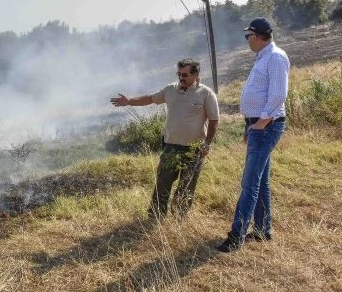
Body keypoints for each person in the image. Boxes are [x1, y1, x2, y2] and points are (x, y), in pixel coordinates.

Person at [110, 59, 219, 218]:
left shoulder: (206, 94)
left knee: (186, 185)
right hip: (171, 147)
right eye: (179, 74)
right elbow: (149, 99)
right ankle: (156, 215)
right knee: (163, 183)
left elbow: (214, 120)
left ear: (196, 74)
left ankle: (179, 218)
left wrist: (207, 144)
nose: (181, 78)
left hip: (194, 149)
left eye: (185, 75)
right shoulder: (170, 90)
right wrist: (129, 101)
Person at [217, 17, 290, 252]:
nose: (247, 41)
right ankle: (262, 230)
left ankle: (236, 236)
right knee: (261, 181)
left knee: (249, 183)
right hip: (258, 125)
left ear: (257, 37)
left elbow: (279, 94)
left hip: (266, 126)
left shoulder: (276, 57)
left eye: (248, 36)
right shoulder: (264, 57)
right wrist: (252, 125)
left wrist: (260, 123)